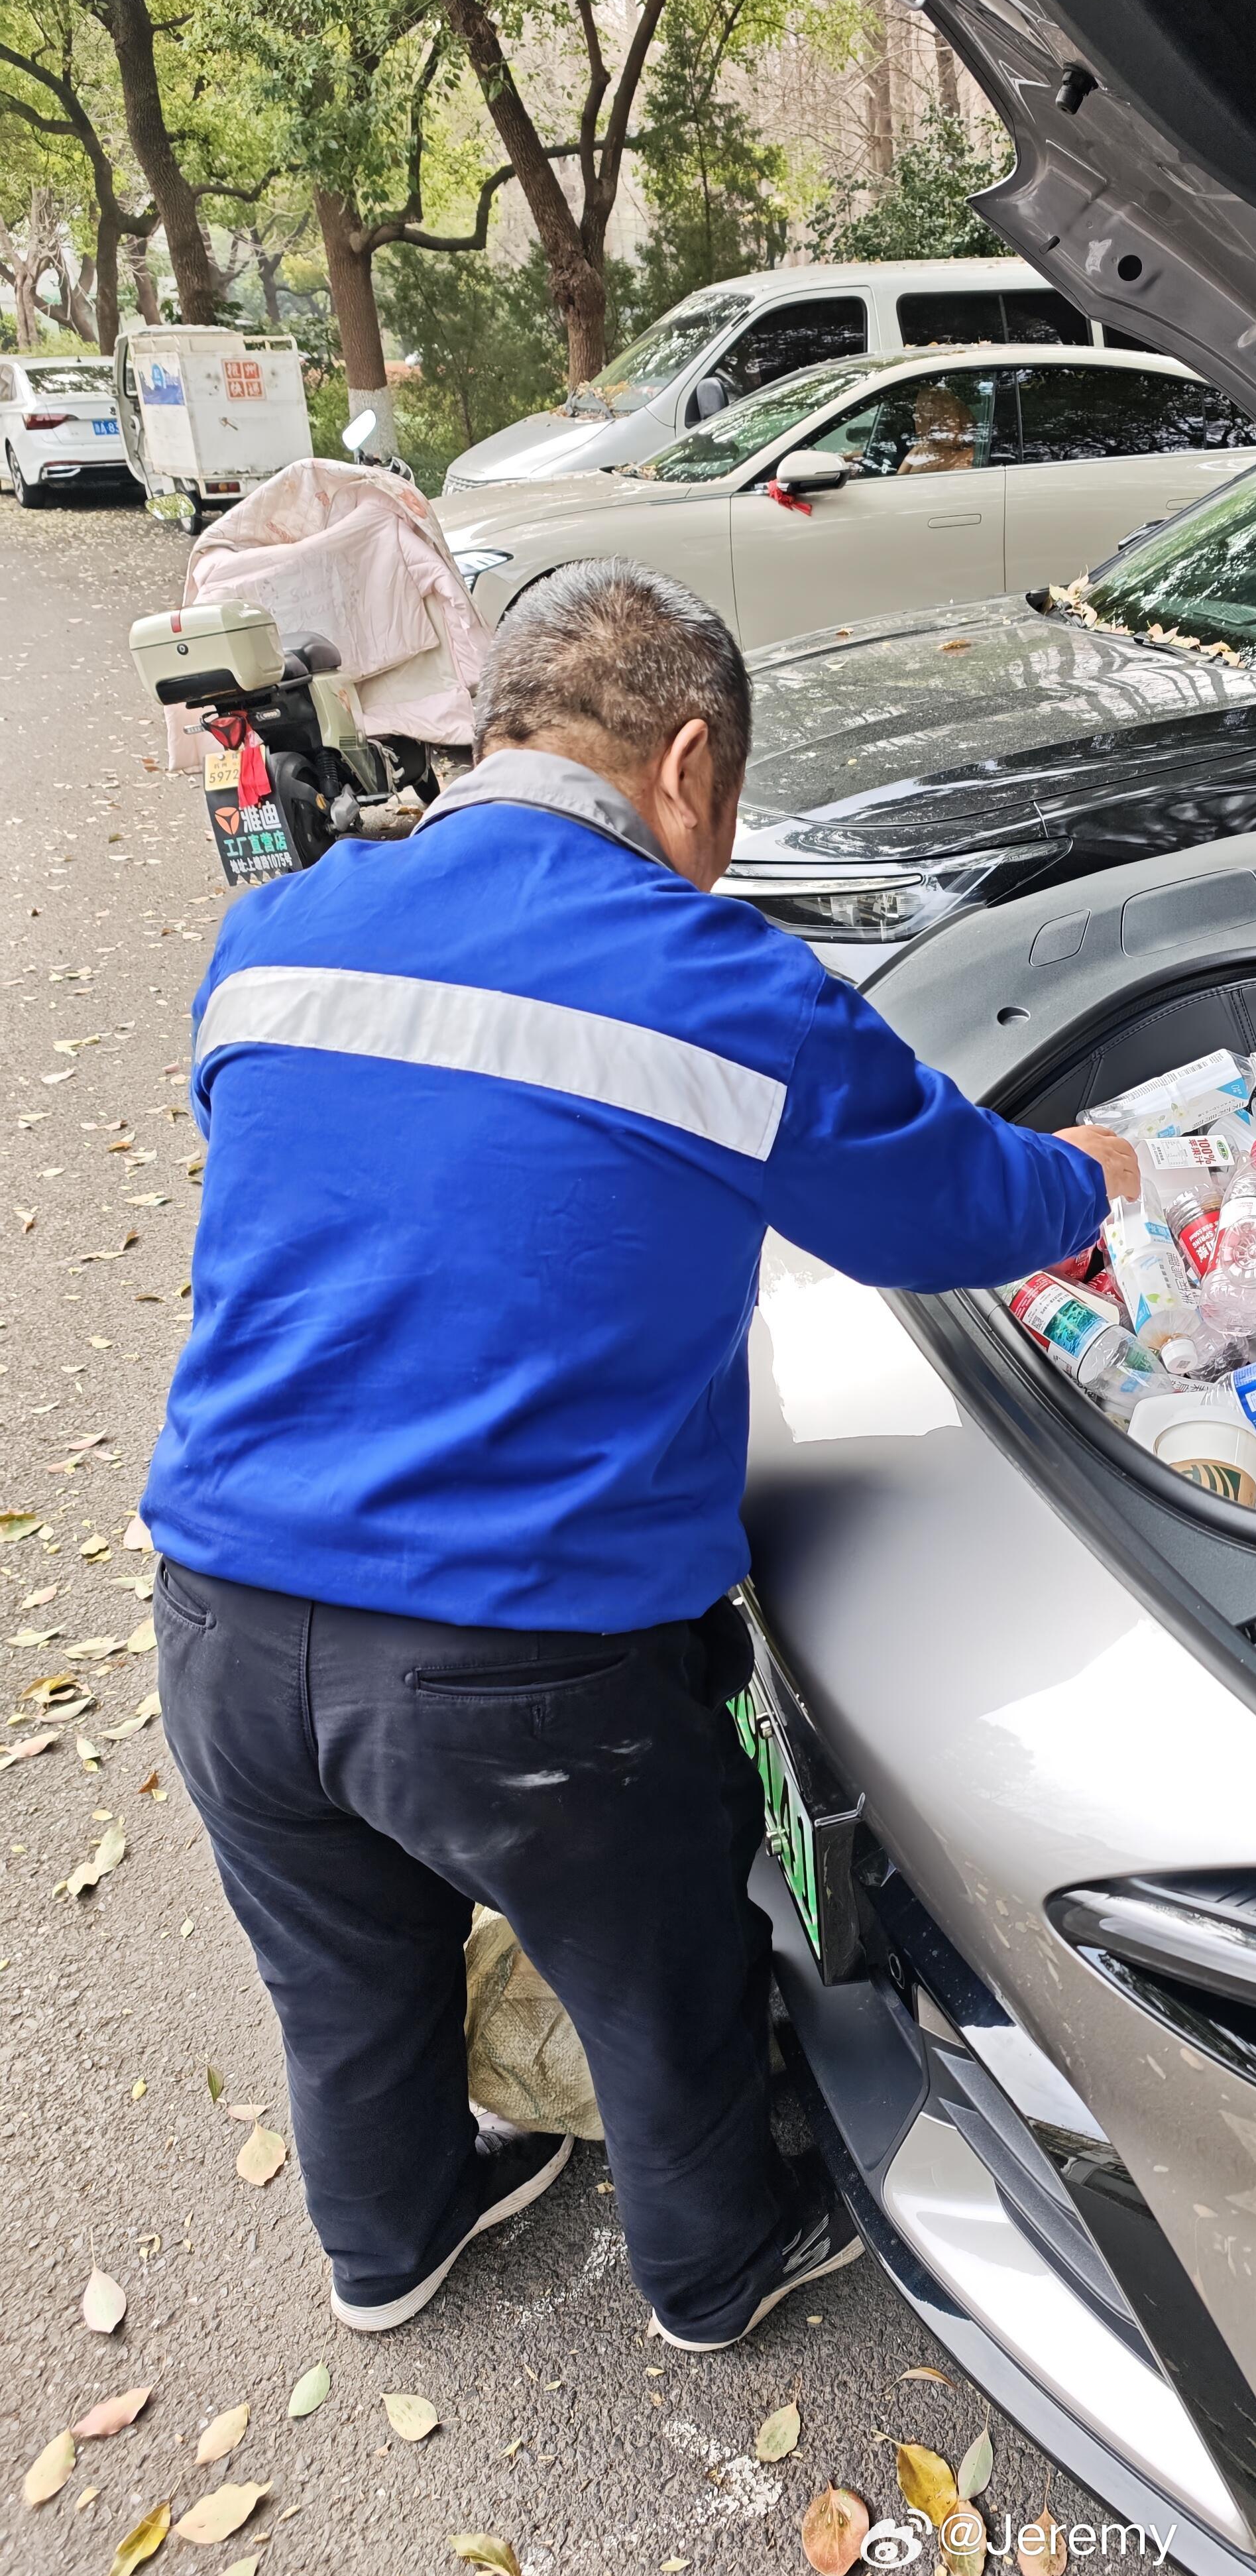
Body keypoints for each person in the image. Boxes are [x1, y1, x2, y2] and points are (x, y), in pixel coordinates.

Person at [143, 557, 1137, 2352]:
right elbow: (950, 1207)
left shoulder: (274, 930)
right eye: (724, 813)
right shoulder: (722, 984)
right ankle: (716, 2272)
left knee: (346, 1978)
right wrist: (1101, 1177)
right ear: (687, 769)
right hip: (521, 1672)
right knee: (665, 1979)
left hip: (216, 1617)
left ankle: (391, 2248)